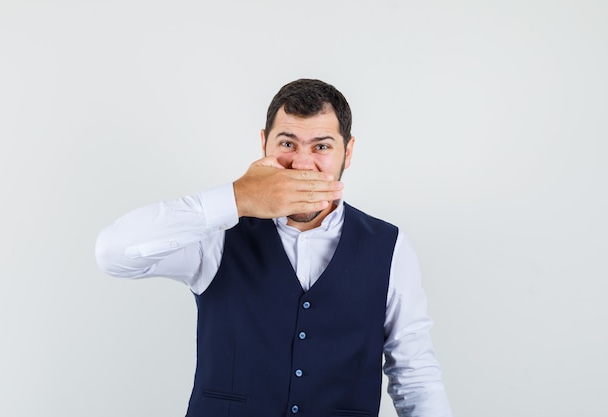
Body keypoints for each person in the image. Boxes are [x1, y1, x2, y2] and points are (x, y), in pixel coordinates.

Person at [95, 79, 453, 417]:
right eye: (287, 143)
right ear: (264, 144)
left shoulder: (388, 246)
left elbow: (415, 373)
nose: (301, 163)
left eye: (322, 146)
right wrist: (237, 197)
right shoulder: (218, 233)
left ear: (349, 151)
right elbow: (113, 253)